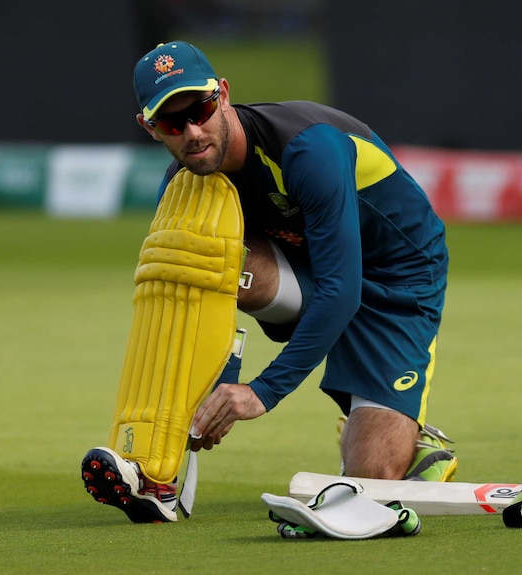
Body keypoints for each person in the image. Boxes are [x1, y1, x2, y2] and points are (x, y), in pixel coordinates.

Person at [82, 41, 456, 523]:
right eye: (174, 123)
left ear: (223, 94)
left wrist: (260, 391)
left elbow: (342, 291)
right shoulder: (184, 184)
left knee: (370, 484)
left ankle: (422, 448)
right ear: (149, 128)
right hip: (308, 266)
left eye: (200, 109)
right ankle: (157, 474)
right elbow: (187, 308)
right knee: (190, 258)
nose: (193, 132)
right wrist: (208, 395)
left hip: (395, 275)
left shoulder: (308, 148)